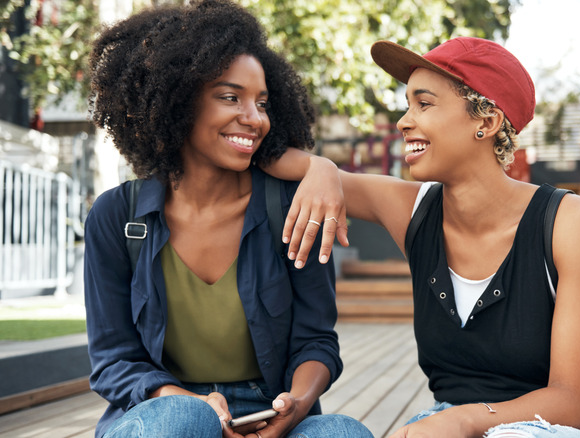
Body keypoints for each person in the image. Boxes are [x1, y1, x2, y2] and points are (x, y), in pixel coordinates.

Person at [264, 37, 580, 438]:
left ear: (486, 122)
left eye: (424, 103)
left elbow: (570, 401)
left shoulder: (570, 222)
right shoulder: (413, 210)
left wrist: (459, 421)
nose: (403, 120)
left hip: (551, 428)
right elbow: (265, 154)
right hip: (444, 422)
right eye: (408, 103)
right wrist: (323, 169)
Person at [83, 1, 374, 437]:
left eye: (262, 102)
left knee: (343, 432)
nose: (254, 118)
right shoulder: (116, 217)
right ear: (177, 100)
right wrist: (186, 401)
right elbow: (113, 360)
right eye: (230, 97)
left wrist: (294, 404)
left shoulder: (293, 208)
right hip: (166, 407)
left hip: (269, 409)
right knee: (188, 420)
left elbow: (316, 341)